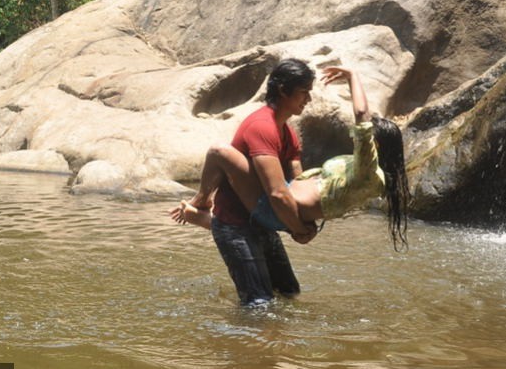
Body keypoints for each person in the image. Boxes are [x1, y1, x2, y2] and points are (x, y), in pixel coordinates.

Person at [171, 65, 409, 252]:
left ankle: (201, 203)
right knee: (254, 229)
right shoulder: (368, 173)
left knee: (217, 152)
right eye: (304, 92)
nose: (358, 136)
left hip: (278, 208)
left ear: (375, 145)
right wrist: (304, 227)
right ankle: (200, 214)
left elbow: (361, 115)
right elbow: (302, 179)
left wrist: (353, 76)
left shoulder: (368, 169)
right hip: (285, 204)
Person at [185, 58, 318, 306]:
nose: (308, 99)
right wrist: (298, 229)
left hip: (262, 221)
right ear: (282, 90)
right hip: (235, 226)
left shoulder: (287, 132)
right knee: (259, 306)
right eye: (303, 92)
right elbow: (277, 192)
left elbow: (298, 182)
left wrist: (306, 223)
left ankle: (200, 216)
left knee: (289, 293)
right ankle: (241, 343)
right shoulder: (262, 127)